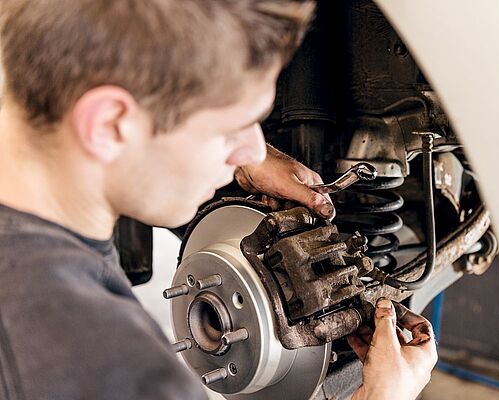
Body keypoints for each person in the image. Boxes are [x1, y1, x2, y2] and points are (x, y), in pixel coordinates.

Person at [0, 1, 437, 399]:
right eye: (232, 129)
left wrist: (237, 147)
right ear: (110, 124)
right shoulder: (123, 376)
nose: (253, 151)